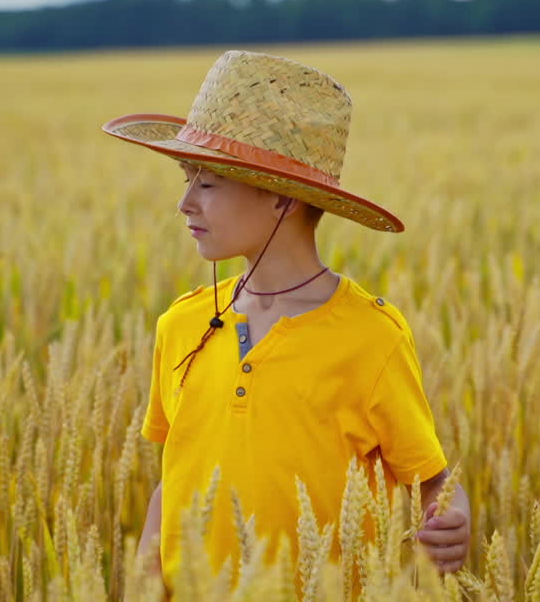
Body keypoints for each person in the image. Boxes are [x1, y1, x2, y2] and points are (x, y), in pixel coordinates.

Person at [102, 50, 471, 598]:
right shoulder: (182, 324)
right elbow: (175, 480)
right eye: (187, 179)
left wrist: (451, 522)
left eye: (207, 184)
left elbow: (431, 480)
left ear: (277, 197)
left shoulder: (370, 337)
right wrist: (143, 580)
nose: (184, 203)